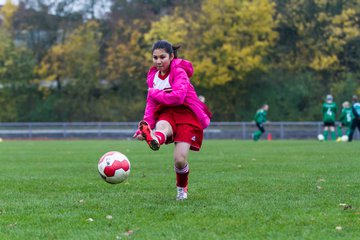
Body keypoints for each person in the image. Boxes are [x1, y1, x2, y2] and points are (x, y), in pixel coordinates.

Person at [133, 40, 212, 200]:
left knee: (179, 160)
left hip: (186, 114)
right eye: (155, 57)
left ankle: (182, 189)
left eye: (162, 57)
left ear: (171, 56)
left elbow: (178, 97)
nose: (158, 61)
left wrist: (155, 93)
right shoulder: (153, 77)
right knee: (162, 126)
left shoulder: (179, 72)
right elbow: (151, 105)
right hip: (167, 112)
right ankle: (154, 136)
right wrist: (144, 127)